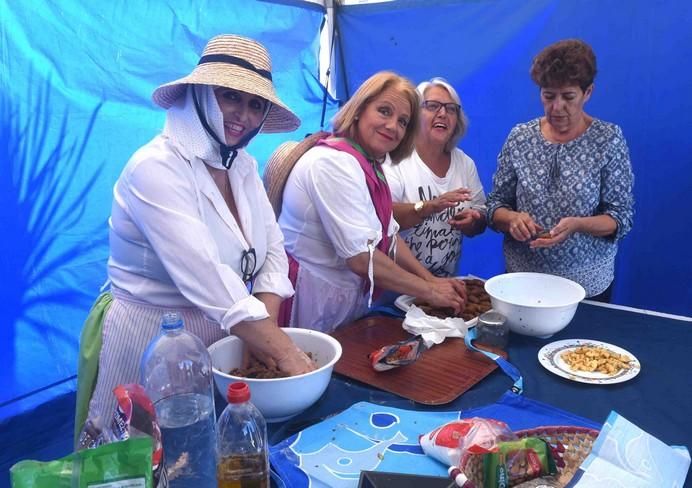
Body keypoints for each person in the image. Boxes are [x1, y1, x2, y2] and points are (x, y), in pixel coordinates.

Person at [75, 34, 315, 440]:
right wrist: (285, 353)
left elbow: (273, 251)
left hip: (225, 335)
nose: (243, 114)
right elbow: (202, 272)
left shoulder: (242, 167)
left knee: (205, 452)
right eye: (229, 97)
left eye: (255, 104)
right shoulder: (155, 167)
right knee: (142, 455)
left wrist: (262, 336)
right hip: (149, 337)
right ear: (201, 95)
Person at [268, 71, 467, 333]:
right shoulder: (331, 163)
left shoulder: (369, 164)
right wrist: (429, 290)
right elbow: (361, 258)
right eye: (384, 111)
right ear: (359, 109)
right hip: (309, 299)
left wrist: (430, 278)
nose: (393, 126)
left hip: (342, 298)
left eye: (403, 121)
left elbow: (390, 236)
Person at [486, 39, 634, 301]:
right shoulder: (520, 137)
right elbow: (496, 204)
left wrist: (578, 225)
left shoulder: (608, 139)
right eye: (548, 95)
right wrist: (511, 219)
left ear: (588, 92)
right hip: (522, 281)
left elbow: (620, 218)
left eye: (568, 97)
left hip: (587, 288)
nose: (557, 107)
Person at [383, 77, 486, 278]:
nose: (442, 114)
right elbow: (383, 216)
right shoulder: (395, 159)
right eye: (432, 106)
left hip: (444, 286)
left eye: (451, 109)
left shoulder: (465, 164)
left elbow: (481, 217)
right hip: (395, 287)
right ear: (413, 115)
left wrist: (474, 220)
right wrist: (431, 206)